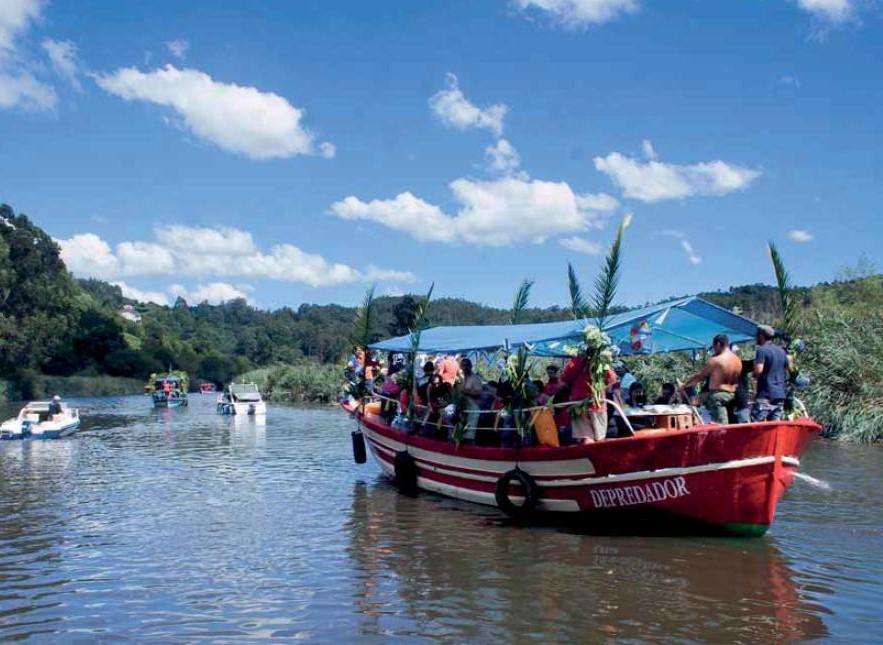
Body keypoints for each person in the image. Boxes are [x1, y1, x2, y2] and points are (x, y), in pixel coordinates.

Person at [681, 333, 742, 424]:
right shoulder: (737, 360)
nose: (714, 349)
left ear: (717, 344)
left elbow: (700, 376)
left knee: (720, 426)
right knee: (731, 422)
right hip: (733, 395)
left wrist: (685, 384)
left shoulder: (716, 360)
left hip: (718, 397)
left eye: (714, 347)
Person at [559, 353, 618, 444]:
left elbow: (564, 378)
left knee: (587, 438)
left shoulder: (574, 362)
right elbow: (612, 379)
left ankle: (591, 455)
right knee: (600, 438)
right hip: (597, 404)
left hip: (579, 404)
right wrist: (602, 388)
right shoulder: (601, 361)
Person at [751, 325, 790, 422]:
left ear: (761, 336)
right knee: (774, 425)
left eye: (757, 335)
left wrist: (753, 374)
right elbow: (788, 369)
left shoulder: (762, 350)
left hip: (765, 395)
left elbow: (758, 370)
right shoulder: (782, 351)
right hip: (780, 395)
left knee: (757, 424)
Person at [458, 357, 484, 441]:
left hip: (473, 406)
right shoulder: (463, 378)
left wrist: (467, 391)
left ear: (469, 367)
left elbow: (479, 392)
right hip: (464, 406)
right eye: (463, 366)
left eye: (466, 366)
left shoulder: (474, 378)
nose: (464, 368)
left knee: (470, 429)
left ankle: (469, 441)